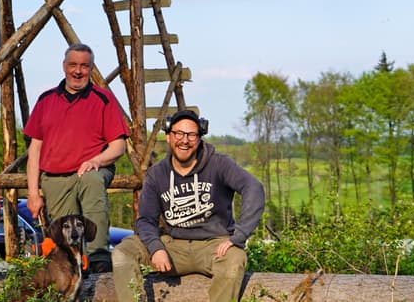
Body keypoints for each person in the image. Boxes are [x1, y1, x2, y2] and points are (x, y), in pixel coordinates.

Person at [112, 109, 265, 302]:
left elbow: (253, 188)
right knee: (122, 252)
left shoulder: (219, 164)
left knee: (234, 259)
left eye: (191, 135)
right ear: (168, 137)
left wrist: (239, 236)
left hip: (214, 246)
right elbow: (145, 220)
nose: (184, 140)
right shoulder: (156, 174)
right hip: (173, 245)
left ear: (199, 138)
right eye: (179, 134)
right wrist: (156, 248)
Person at [24, 43, 130, 273]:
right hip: (55, 177)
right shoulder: (45, 100)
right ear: (64, 66)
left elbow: (119, 145)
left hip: (91, 170)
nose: (78, 71)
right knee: (63, 238)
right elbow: (35, 151)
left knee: (91, 180)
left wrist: (97, 161)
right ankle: (68, 272)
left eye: (84, 66)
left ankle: (98, 256)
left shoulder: (103, 99)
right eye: (73, 65)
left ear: (91, 69)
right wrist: (33, 193)